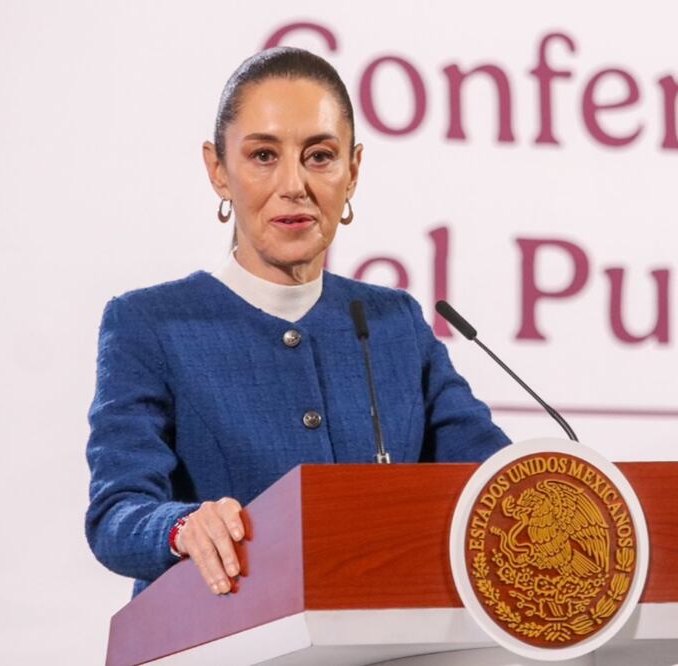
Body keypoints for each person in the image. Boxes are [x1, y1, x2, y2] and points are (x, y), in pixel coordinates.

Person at [84, 47, 510, 598]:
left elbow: (497, 479)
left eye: (320, 156)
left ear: (352, 170)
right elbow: (117, 514)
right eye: (263, 155)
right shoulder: (151, 324)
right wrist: (181, 527)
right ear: (218, 170)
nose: (294, 185)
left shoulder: (394, 323)